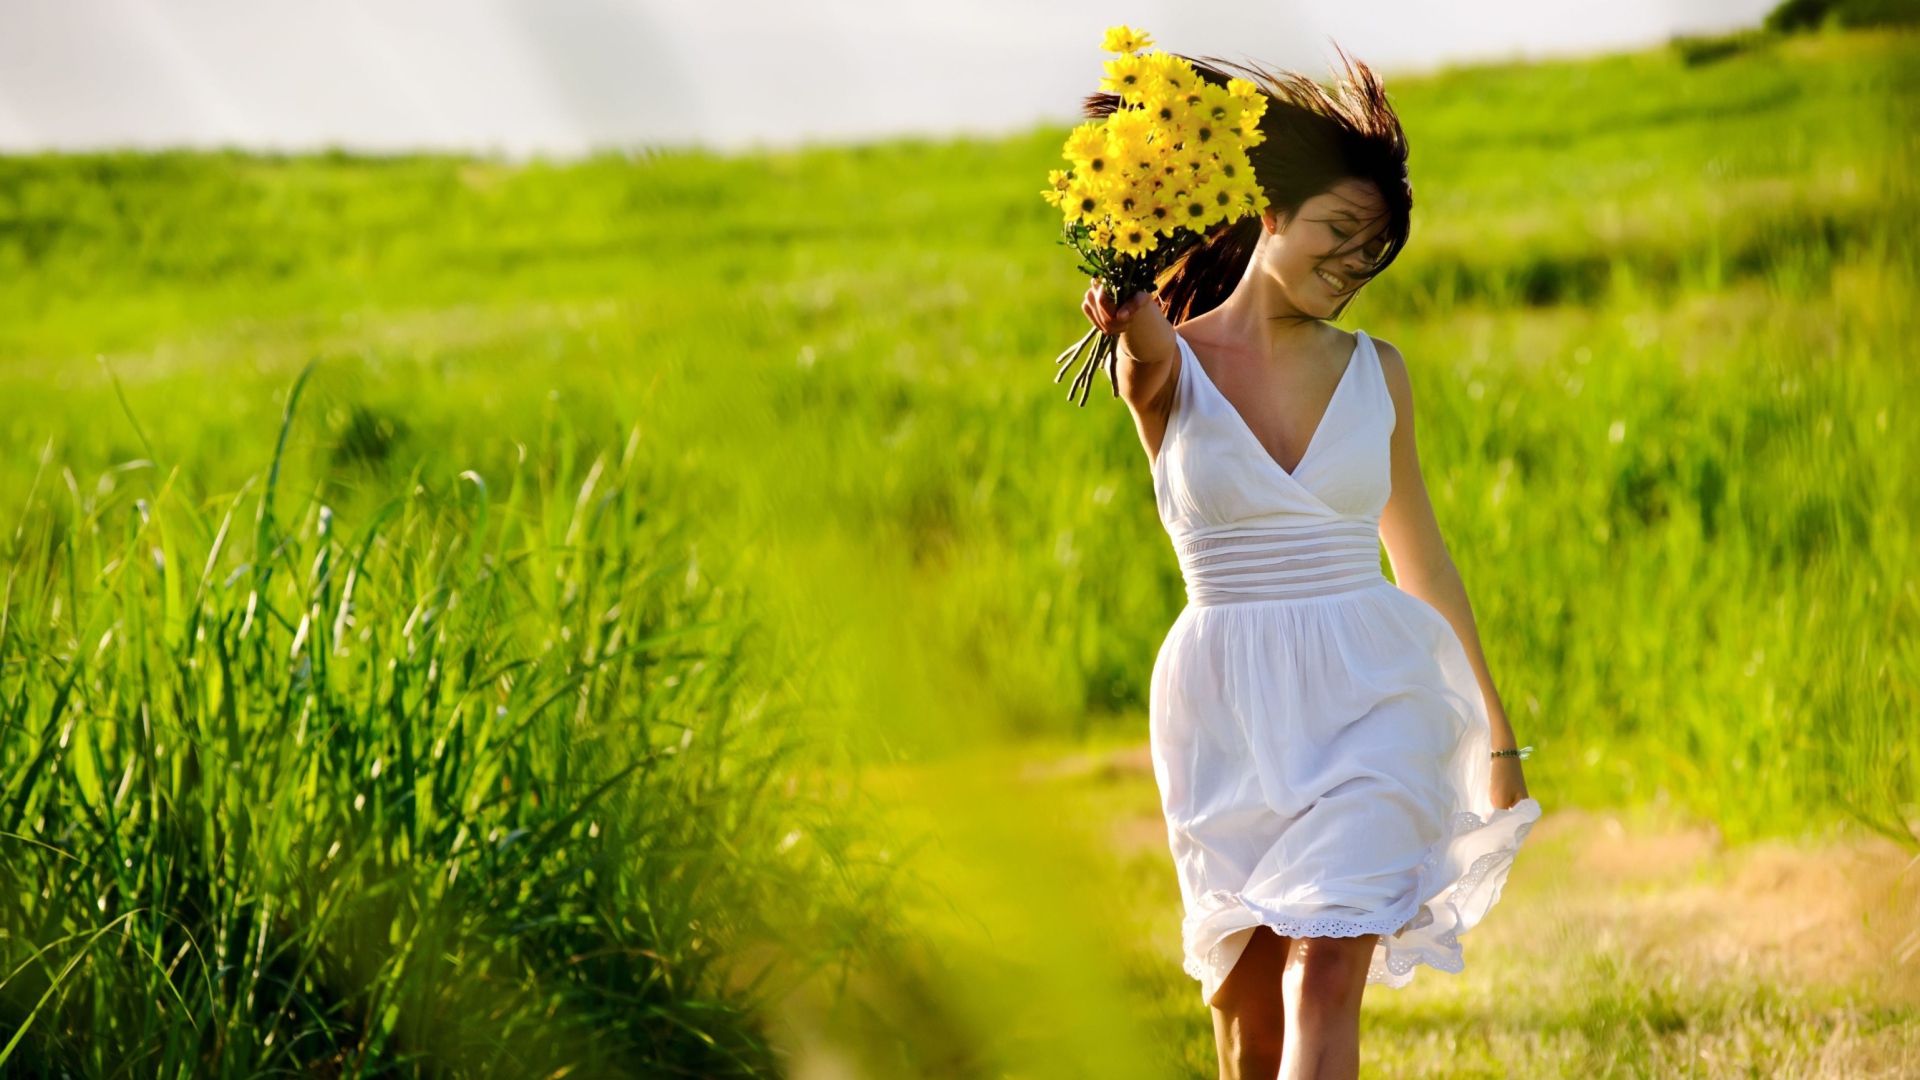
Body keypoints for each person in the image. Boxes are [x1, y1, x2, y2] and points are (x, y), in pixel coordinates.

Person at [1080, 51, 1543, 1080]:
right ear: (1270, 211)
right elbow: (1144, 344)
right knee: (1247, 1019)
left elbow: (1422, 556)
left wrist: (1497, 737)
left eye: (1374, 252)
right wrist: (1126, 309)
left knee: (1326, 966)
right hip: (1224, 709)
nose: (1355, 265)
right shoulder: (1166, 365)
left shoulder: (1379, 373)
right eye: (1341, 234)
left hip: (1373, 693)